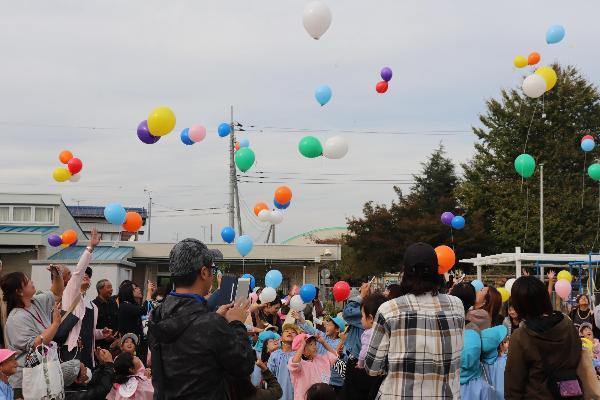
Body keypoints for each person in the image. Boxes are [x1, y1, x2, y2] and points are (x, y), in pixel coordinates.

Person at [148, 238, 255, 399]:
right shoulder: (211, 324)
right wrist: (236, 323)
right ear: (204, 272)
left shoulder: (157, 314)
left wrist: (213, 318)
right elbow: (244, 364)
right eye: (212, 269)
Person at [364, 242, 465, 399]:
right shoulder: (457, 306)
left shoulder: (389, 310)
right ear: (437, 272)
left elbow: (372, 368)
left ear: (404, 272)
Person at [505, 276, 582, 399]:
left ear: (519, 304)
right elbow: (577, 356)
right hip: (571, 393)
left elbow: (513, 384)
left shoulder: (520, 336)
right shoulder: (567, 324)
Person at [1, 261, 65, 398]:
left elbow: (57, 292)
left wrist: (57, 275)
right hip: (26, 381)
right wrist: (55, 324)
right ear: (19, 291)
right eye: (27, 281)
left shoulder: (36, 301)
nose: (32, 282)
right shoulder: (16, 318)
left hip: (42, 375)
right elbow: (35, 345)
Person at [61, 228, 112, 368]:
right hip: (72, 351)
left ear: (90, 282)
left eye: (88, 276)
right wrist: (90, 248)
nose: (85, 276)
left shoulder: (92, 305)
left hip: (88, 354)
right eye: (84, 274)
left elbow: (89, 331)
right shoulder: (70, 294)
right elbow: (78, 272)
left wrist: (102, 333)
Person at [345, 293, 387, 400]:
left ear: (371, 318)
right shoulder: (387, 331)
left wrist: (360, 363)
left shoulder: (368, 333)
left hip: (365, 371)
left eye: (362, 316)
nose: (361, 319)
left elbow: (363, 352)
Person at [293, 312, 345, 393]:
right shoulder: (322, 335)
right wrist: (300, 319)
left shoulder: (340, 342)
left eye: (330, 325)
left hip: (335, 381)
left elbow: (336, 356)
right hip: (319, 376)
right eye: (326, 324)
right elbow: (310, 328)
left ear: (337, 329)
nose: (326, 326)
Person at [288, 334, 338, 400]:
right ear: (301, 349)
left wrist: (323, 342)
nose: (314, 347)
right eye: (310, 344)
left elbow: (334, 355)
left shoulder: (320, 359)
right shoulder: (300, 362)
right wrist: (302, 345)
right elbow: (294, 364)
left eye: (315, 344)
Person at [267, 324, 301, 400]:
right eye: (286, 331)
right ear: (281, 338)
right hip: (279, 393)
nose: (289, 333)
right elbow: (270, 375)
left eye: (293, 332)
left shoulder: (299, 355)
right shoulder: (275, 355)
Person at [93, 279, 119, 350]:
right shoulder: (94, 305)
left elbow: (117, 320)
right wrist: (105, 336)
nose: (111, 289)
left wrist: (116, 334)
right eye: (108, 287)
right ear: (100, 289)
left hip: (114, 342)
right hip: (99, 344)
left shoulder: (113, 303)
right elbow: (92, 325)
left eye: (111, 287)